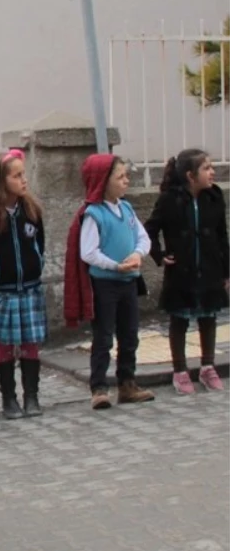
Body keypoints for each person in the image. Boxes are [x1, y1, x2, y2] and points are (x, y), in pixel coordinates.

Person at [63, 153, 155, 411]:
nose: (126, 181)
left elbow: (143, 238)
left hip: (128, 282)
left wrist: (137, 254)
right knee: (103, 336)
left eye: (127, 176)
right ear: (103, 181)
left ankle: (127, 384)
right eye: (120, 177)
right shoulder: (94, 214)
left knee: (130, 334)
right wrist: (116, 265)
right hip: (104, 284)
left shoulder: (126, 208)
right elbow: (88, 252)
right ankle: (99, 387)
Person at [146, 148, 228, 394]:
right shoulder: (169, 199)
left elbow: (222, 236)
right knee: (179, 320)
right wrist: (160, 256)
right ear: (191, 176)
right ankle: (180, 370)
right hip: (182, 271)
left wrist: (227, 271)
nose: (212, 172)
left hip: (210, 267)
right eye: (206, 168)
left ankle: (207, 366)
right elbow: (149, 229)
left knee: (209, 317)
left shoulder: (214, 196)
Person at [0, 149, 47, 419]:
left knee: (31, 344)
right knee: (5, 346)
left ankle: (32, 396)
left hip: (30, 287)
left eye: (23, 174)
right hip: (3, 292)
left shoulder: (31, 210)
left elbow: (39, 242)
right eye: (16, 176)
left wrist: (36, 265)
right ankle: (9, 399)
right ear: (0, 180)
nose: (23, 180)